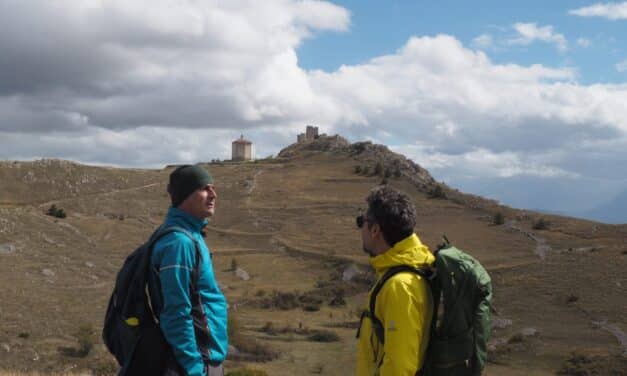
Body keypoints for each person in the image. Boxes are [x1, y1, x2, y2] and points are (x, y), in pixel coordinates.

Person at [150, 164, 228, 376]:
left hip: (204, 358)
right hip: (195, 363)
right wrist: (193, 369)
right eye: (204, 188)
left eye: (213, 188)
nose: (213, 194)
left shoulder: (190, 236)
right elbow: (175, 312)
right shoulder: (179, 243)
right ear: (185, 195)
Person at [355, 186, 435, 376]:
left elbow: (399, 367)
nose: (360, 229)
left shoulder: (400, 287)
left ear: (375, 230)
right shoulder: (408, 270)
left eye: (361, 222)